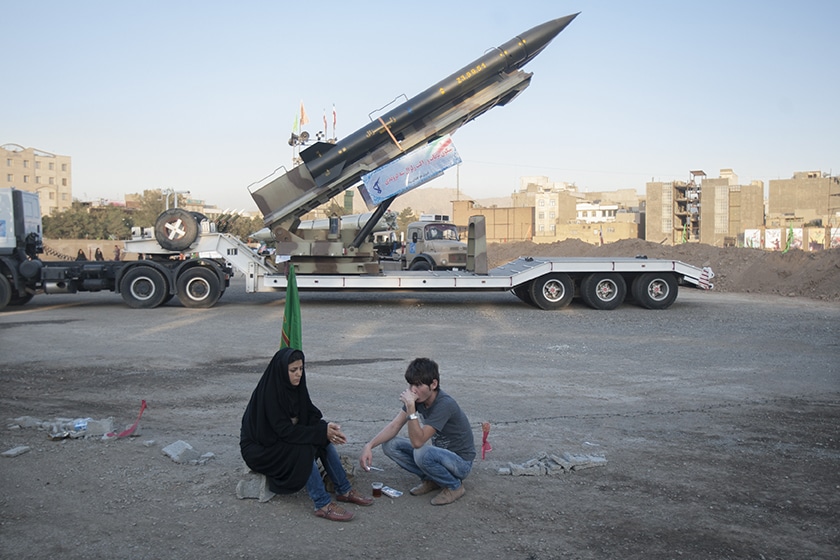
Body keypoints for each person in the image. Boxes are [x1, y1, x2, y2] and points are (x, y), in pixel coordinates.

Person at [240, 348, 372, 521]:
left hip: (281, 440)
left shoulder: (296, 388)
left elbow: (310, 415)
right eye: (293, 370)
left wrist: (326, 428)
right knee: (304, 449)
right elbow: (283, 431)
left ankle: (344, 489)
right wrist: (320, 431)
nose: (299, 374)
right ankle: (322, 504)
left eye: (301, 369)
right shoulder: (270, 394)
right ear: (282, 371)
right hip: (261, 448)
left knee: (323, 441)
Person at [359, 357, 475, 505]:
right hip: (440, 456)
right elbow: (395, 426)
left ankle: (454, 486)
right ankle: (432, 479)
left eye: (418, 385)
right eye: (411, 384)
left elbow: (417, 441)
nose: (413, 390)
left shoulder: (445, 404)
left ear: (433, 384)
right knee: (390, 445)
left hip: (460, 463)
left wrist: (411, 409)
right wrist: (369, 445)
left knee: (421, 452)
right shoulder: (420, 399)